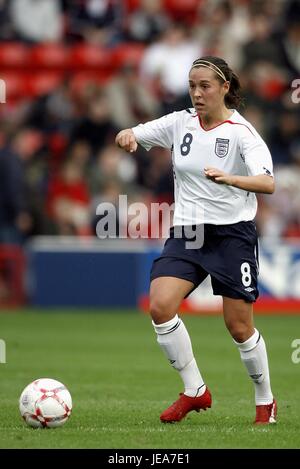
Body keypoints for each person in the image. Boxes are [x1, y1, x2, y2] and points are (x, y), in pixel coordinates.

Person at [115, 56, 276, 425]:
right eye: (192, 86)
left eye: (205, 86)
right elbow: (136, 133)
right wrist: (127, 136)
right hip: (188, 231)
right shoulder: (179, 123)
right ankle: (194, 390)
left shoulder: (242, 133)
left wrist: (230, 179)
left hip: (232, 234)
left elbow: (267, 182)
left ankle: (265, 400)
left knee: (238, 327)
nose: (197, 93)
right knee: (160, 305)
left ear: (224, 88)